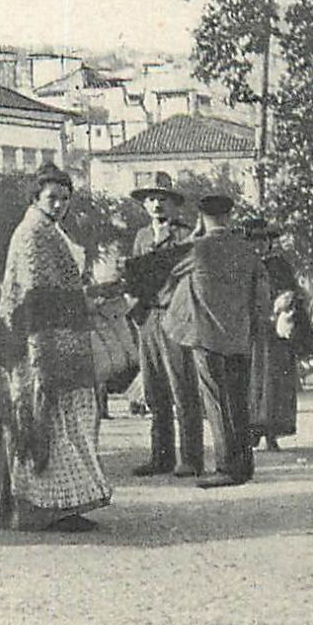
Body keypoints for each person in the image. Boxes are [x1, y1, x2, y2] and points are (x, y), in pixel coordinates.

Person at [0, 164, 112, 531]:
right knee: (41, 425)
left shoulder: (48, 231)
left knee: (54, 425)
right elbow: (36, 298)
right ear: (35, 198)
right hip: (33, 347)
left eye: (65, 199)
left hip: (51, 341)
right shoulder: (32, 235)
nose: (59, 205)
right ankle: (42, 508)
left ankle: (54, 506)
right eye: (52, 198)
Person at [166, 196, 272, 487]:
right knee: (238, 401)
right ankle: (244, 465)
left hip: (207, 337)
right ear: (229, 216)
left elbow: (168, 273)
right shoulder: (248, 251)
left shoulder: (197, 250)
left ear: (201, 217)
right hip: (239, 337)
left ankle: (226, 467)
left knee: (215, 401)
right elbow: (262, 298)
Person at [125, 171, 205, 477]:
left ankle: (191, 458)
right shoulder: (142, 237)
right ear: (145, 205)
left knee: (183, 388)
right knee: (155, 390)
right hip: (148, 317)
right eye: (151, 199)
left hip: (175, 315)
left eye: (163, 199)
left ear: (175, 205)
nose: (157, 205)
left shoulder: (186, 236)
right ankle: (161, 456)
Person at [241, 217, 306, 450]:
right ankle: (251, 431)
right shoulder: (241, 264)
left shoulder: (279, 264)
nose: (258, 245)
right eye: (253, 240)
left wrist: (286, 302)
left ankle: (272, 432)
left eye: (263, 240)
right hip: (249, 329)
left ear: (269, 241)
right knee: (250, 380)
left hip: (275, 331)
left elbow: (294, 291)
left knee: (274, 380)